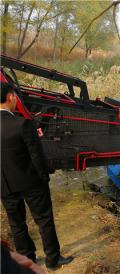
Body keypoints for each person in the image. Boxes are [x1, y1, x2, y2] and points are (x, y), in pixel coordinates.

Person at [0, 83, 73, 270]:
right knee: (44, 220)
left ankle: (28, 260)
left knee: (17, 225)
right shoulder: (22, 124)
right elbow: (37, 157)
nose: (16, 99)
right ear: (9, 97)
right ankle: (53, 259)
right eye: (15, 95)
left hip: (4, 185)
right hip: (31, 181)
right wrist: (44, 177)